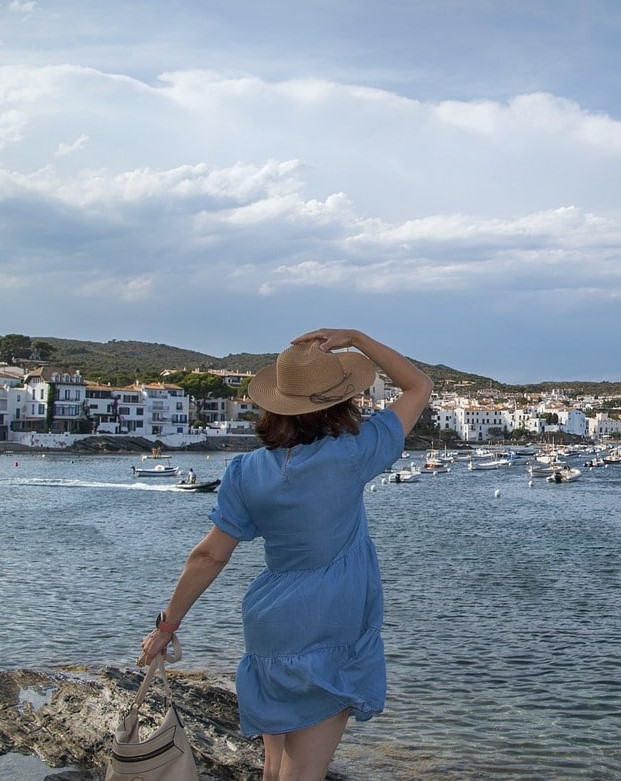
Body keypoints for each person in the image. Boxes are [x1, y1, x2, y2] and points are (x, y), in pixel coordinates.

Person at [141, 328, 433, 781]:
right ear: (340, 401)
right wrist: (356, 338)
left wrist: (167, 626)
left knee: (275, 768)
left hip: (270, 625)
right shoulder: (354, 453)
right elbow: (418, 386)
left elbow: (208, 557)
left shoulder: (245, 470)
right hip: (328, 626)